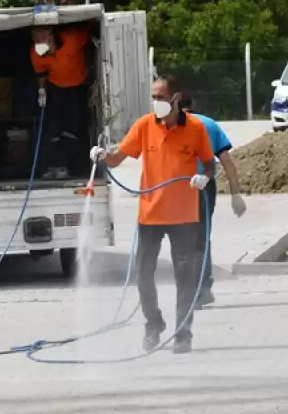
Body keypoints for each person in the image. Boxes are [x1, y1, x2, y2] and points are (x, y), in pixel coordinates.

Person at [90, 75, 215, 354]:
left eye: (161, 97)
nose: (156, 102)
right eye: (154, 97)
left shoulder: (194, 128)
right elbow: (117, 157)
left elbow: (209, 165)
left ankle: (183, 334)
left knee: (185, 276)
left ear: (175, 98)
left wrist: (202, 178)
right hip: (150, 215)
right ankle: (154, 323)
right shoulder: (145, 126)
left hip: (184, 216)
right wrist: (101, 155)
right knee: (143, 274)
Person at [180, 99, 247, 308]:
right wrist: (236, 195)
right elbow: (226, 160)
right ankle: (203, 288)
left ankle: (195, 290)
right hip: (205, 186)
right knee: (201, 237)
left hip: (179, 187)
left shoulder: (172, 125)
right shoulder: (209, 124)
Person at [30, 24, 91, 180]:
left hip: (77, 87)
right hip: (56, 87)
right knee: (53, 128)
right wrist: (41, 91)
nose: (39, 42)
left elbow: (92, 40)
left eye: (42, 38)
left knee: (72, 127)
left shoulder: (72, 40)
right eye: (35, 39)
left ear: (51, 36)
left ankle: (70, 166)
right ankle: (52, 166)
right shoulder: (37, 53)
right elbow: (41, 73)